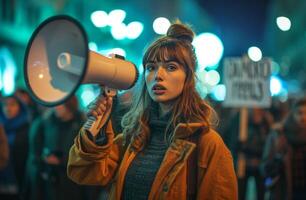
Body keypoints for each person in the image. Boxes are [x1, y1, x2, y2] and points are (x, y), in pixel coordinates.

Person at [67, 22, 238, 200]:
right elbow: (85, 173)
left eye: (171, 67)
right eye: (151, 67)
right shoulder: (134, 137)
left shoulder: (208, 145)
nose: (158, 75)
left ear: (188, 77)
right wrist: (97, 129)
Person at [261, 97, 306, 200]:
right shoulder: (279, 135)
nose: (303, 117)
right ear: (292, 114)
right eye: (299, 113)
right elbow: (265, 168)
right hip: (285, 192)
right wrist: (278, 157)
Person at [0, 95, 30, 200]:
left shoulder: (27, 129)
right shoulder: (1, 127)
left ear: (20, 107)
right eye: (5, 105)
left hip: (18, 182)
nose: (8, 108)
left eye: (12, 104)